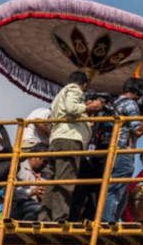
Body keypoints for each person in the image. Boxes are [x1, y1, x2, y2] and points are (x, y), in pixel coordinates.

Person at [38, 71, 103, 222]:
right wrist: (91, 107)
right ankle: (60, 217)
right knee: (65, 180)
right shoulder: (74, 89)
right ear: (84, 85)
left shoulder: (61, 94)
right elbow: (71, 108)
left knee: (53, 182)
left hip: (57, 140)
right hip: (69, 141)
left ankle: (44, 217)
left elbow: (69, 109)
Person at [102, 78, 143, 222]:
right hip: (122, 151)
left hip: (112, 150)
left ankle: (110, 219)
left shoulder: (115, 103)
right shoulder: (130, 104)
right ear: (138, 92)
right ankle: (107, 222)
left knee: (119, 188)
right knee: (116, 187)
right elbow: (137, 130)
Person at [10, 155, 48, 221]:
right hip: (17, 206)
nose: (45, 165)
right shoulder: (18, 168)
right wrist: (31, 192)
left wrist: (43, 196)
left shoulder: (44, 173)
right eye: (44, 161)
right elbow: (11, 193)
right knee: (40, 210)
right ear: (34, 157)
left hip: (34, 206)